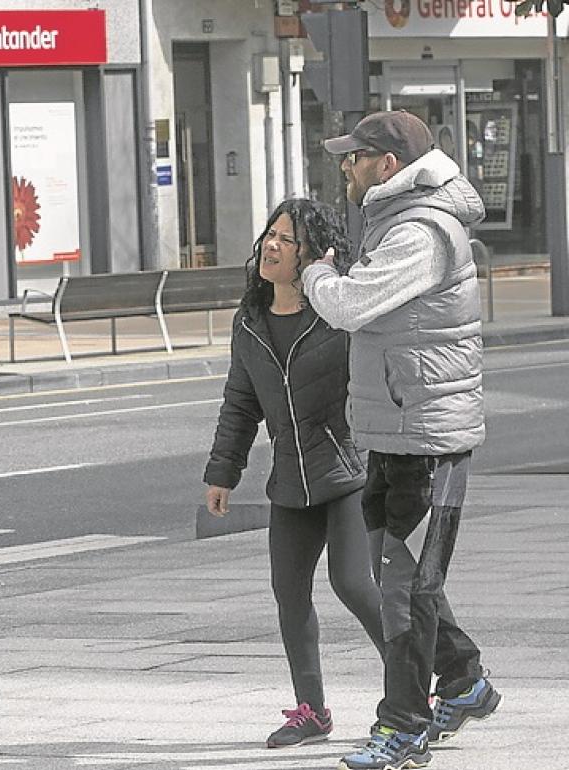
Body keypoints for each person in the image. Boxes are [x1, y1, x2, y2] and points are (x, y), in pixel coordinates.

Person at [307, 110, 500, 770]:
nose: (345, 167)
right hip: (394, 431)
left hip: (428, 440)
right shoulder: (392, 221)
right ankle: (465, 680)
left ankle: (405, 727)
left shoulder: (420, 231)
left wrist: (315, 276)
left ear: (387, 165)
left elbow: (351, 306)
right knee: (405, 576)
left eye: (355, 157)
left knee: (404, 587)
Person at [204, 198, 384, 750]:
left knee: (353, 583)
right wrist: (222, 472)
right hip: (290, 480)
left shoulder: (338, 316)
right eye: (270, 235)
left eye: (288, 238)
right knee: (289, 593)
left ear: (314, 254)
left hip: (348, 472)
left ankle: (412, 690)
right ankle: (311, 711)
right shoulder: (251, 321)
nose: (272, 245)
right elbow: (240, 402)